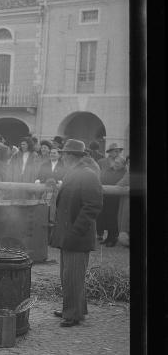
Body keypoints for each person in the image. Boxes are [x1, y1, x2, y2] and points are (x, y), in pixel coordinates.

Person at [49, 139, 103, 327]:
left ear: (72, 156)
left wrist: (75, 231)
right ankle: (74, 309)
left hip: (77, 235)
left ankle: (72, 315)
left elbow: (93, 206)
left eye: (64, 154)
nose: (62, 156)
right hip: (68, 233)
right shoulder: (75, 172)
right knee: (68, 275)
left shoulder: (87, 174)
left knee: (73, 276)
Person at [96, 155, 126, 247]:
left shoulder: (124, 173)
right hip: (106, 197)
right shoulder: (109, 170)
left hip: (116, 199)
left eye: (118, 163)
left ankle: (113, 239)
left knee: (113, 219)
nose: (116, 164)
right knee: (107, 218)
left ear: (123, 165)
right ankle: (108, 237)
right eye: (115, 162)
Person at [117, 157, 130, 247]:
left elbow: (120, 184)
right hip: (126, 199)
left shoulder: (129, 173)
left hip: (128, 200)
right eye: (128, 163)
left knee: (125, 220)